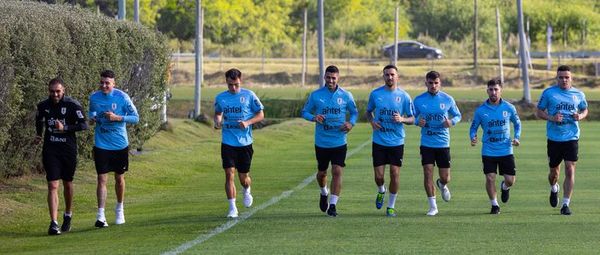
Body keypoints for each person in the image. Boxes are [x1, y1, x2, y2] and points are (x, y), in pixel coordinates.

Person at [301, 65, 358, 217]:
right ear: (324, 78)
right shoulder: (316, 95)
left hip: (339, 141)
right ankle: (323, 192)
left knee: (337, 170)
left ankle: (332, 205)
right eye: (328, 77)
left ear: (338, 78)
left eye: (334, 78)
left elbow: (354, 113)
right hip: (322, 142)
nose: (331, 80)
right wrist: (314, 117)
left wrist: (350, 123)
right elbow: (304, 112)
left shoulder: (346, 95)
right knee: (321, 173)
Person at [36, 78, 87, 235]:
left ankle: (68, 215)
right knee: (52, 185)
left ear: (63, 90)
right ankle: (53, 223)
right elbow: (38, 120)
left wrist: (65, 127)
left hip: (68, 150)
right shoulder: (43, 106)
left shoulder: (73, 105)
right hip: (51, 150)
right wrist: (38, 135)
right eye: (52, 91)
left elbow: (84, 125)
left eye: (58, 91)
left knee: (67, 184)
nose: (55, 94)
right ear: (48, 91)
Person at [89, 70, 139, 227]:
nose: (104, 85)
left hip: (119, 144)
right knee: (101, 178)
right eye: (102, 82)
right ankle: (101, 216)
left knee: (119, 178)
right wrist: (93, 118)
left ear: (113, 84)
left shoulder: (122, 97)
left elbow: (136, 118)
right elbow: (91, 113)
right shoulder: (94, 97)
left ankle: (119, 209)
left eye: (107, 83)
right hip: (101, 143)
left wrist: (117, 117)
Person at [536, 65, 588, 215]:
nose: (564, 80)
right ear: (556, 78)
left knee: (570, 169)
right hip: (554, 138)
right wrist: (552, 118)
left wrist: (581, 116)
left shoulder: (578, 94)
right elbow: (539, 111)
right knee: (554, 173)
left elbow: (584, 109)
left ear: (571, 78)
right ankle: (554, 188)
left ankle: (565, 204)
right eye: (561, 77)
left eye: (567, 77)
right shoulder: (549, 93)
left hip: (571, 137)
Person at [214, 68, 264, 218]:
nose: (233, 88)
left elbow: (261, 114)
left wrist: (248, 122)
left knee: (244, 178)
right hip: (228, 142)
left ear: (240, 81)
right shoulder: (221, 98)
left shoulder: (249, 95)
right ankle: (232, 208)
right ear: (226, 82)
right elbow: (217, 113)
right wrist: (217, 121)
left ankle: (247, 189)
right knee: (229, 174)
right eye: (230, 85)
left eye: (236, 84)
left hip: (245, 144)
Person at [365, 65, 414, 217]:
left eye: (392, 74)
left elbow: (413, 118)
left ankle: (391, 206)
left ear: (397, 76)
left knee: (394, 173)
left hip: (397, 141)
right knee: (379, 177)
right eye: (387, 75)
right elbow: (368, 112)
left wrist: (402, 119)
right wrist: (372, 122)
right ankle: (381, 190)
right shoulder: (375, 94)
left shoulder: (404, 96)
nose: (390, 77)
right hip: (379, 141)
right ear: (383, 76)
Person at [469, 79, 521, 214]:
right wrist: (473, 137)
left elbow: (517, 124)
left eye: (496, 89)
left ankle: (505, 187)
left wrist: (517, 137)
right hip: (488, 150)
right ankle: (494, 205)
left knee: (510, 180)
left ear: (500, 90)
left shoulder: (509, 107)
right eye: (491, 89)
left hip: (506, 149)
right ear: (487, 91)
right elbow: (473, 127)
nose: (493, 92)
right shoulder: (481, 110)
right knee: (490, 177)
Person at [413, 71, 461, 216]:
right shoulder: (418, 100)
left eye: (436, 83)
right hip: (427, 143)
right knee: (427, 173)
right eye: (430, 83)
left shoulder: (447, 99)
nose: (433, 86)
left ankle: (442, 184)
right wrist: (417, 121)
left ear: (440, 83)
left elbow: (458, 115)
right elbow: (411, 117)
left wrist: (451, 122)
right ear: (426, 83)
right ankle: (433, 206)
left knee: (446, 177)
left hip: (442, 144)